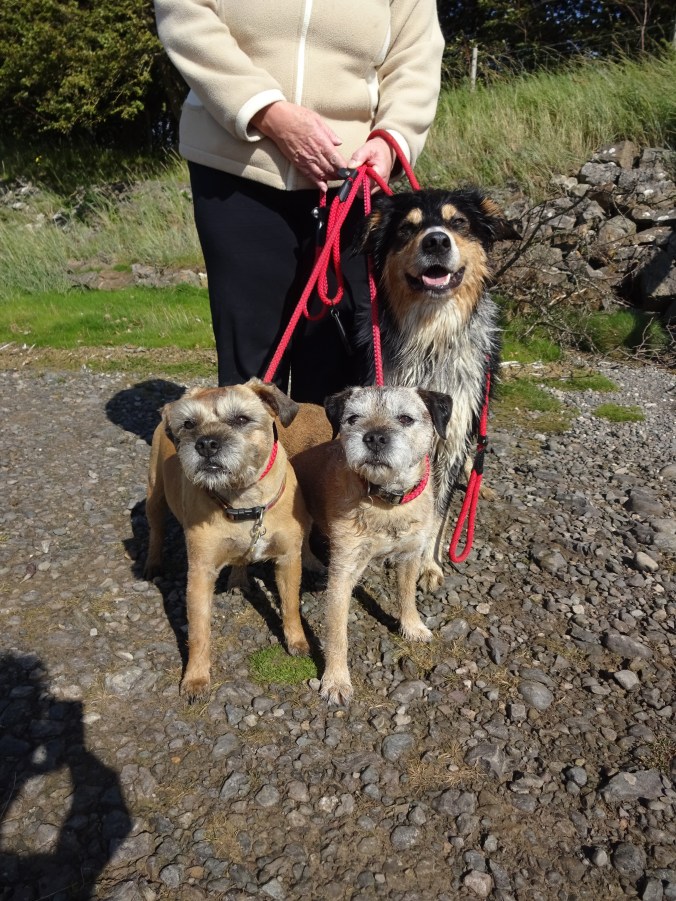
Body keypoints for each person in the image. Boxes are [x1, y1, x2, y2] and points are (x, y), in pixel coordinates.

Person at [154, 0, 445, 403]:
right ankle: (250, 462)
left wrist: (392, 140)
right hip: (237, 166)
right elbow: (187, 16)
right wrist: (267, 112)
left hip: (351, 178)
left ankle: (316, 461)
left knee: (334, 357)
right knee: (250, 355)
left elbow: (416, 56)